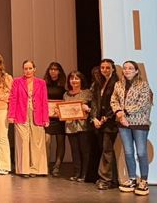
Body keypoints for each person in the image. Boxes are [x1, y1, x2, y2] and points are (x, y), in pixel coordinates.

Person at [112, 61, 152, 196]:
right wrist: (118, 113)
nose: (127, 70)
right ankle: (132, 179)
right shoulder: (118, 84)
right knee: (128, 152)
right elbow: (114, 100)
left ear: (136, 71)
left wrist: (124, 112)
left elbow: (143, 103)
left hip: (139, 123)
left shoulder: (143, 85)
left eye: (130, 68)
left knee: (141, 152)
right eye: (125, 68)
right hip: (123, 123)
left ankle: (144, 181)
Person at [8, 59, 50, 177]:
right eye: (25, 68)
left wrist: (46, 118)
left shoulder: (41, 83)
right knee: (23, 141)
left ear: (34, 69)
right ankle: (24, 169)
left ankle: (36, 169)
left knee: (37, 142)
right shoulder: (17, 81)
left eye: (30, 68)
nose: (28, 71)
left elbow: (44, 101)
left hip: (37, 114)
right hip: (21, 113)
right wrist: (11, 115)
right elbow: (13, 98)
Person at [92, 58, 119, 190]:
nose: (104, 70)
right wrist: (95, 118)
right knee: (106, 150)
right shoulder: (99, 83)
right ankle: (112, 179)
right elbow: (95, 103)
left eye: (107, 67)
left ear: (113, 69)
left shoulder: (116, 83)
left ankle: (106, 179)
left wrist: (106, 118)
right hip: (100, 122)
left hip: (111, 122)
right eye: (102, 67)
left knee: (107, 150)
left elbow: (116, 103)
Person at [63, 70, 92, 183]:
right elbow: (64, 108)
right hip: (70, 126)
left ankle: (84, 174)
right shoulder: (66, 94)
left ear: (81, 80)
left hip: (83, 126)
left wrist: (88, 109)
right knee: (74, 151)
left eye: (76, 78)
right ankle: (76, 172)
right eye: (72, 78)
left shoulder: (87, 93)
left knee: (84, 150)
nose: (74, 80)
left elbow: (93, 109)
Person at [43, 61, 67, 177]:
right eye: (51, 69)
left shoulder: (64, 85)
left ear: (59, 71)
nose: (53, 71)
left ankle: (57, 166)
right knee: (46, 141)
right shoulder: (44, 84)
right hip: (48, 117)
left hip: (60, 117)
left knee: (60, 142)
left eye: (56, 69)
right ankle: (46, 165)